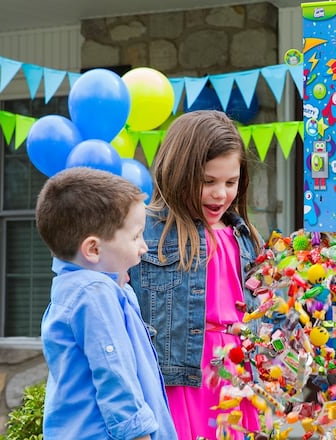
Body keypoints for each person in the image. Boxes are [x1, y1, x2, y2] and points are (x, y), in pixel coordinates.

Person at [128, 110, 263, 440]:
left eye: (230, 182)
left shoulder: (244, 235)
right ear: (178, 174)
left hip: (236, 373)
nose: (221, 194)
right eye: (207, 181)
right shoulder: (145, 231)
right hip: (178, 374)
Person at [37, 167, 176, 440]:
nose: (144, 247)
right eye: (135, 236)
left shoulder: (82, 288)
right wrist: (138, 433)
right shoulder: (94, 293)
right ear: (93, 249)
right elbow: (114, 371)